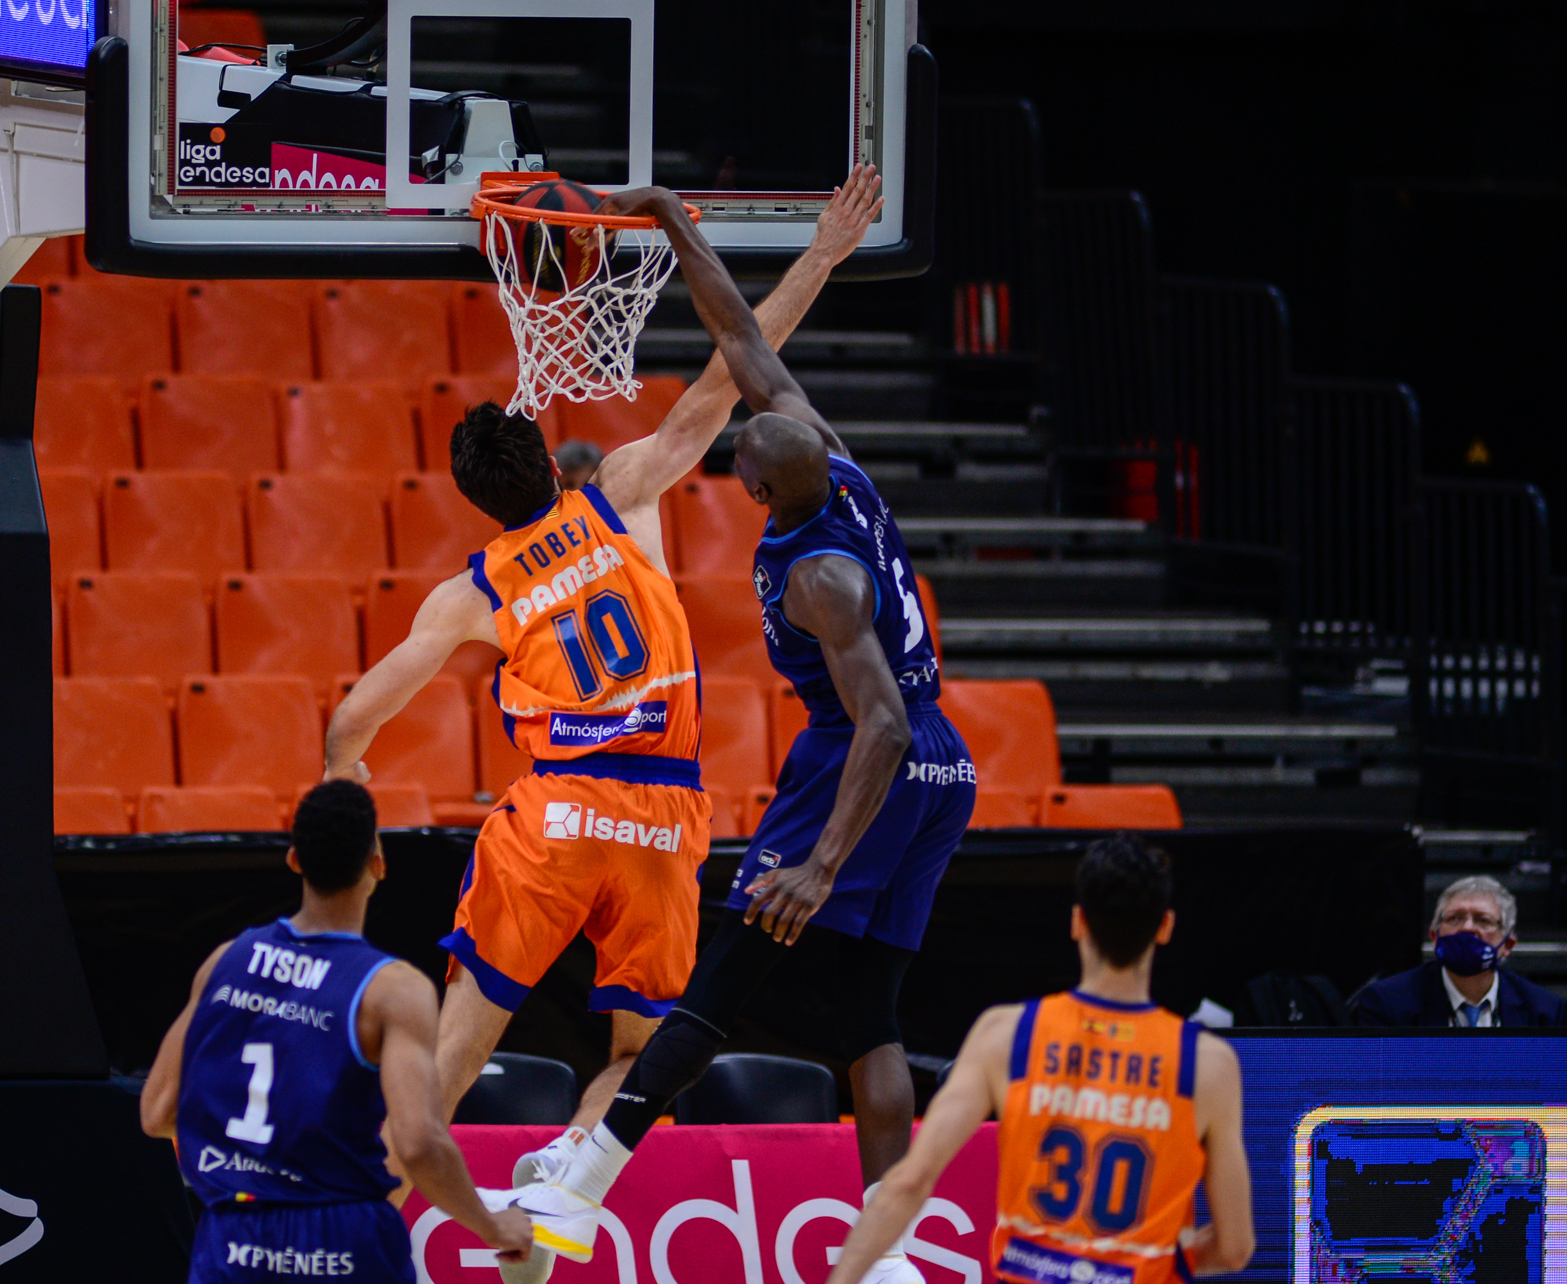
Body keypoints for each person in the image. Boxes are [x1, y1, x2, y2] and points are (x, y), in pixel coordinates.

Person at [321, 166, 888, 1171]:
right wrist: (822, 253)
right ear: (553, 466)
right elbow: (737, 366)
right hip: (662, 820)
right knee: (636, 1065)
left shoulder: (470, 591)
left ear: (479, 504)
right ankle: (567, 1181)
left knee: (450, 1063)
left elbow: (357, 712)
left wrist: (343, 768)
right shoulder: (619, 493)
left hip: (554, 817)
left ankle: (368, 1221)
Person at [496, 181, 975, 1277]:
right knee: (870, 1012)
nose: (735, 457)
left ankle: (580, 1187)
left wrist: (820, 865)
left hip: (869, 755)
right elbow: (741, 340)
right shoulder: (830, 463)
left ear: (757, 485)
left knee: (721, 981)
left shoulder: (818, 576)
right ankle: (889, 1252)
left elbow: (881, 725)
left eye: (739, 461)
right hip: (945, 763)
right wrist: (671, 219)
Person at [140, 780, 533, 1283]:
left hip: (234, 1237)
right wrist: (492, 1226)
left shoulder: (226, 961)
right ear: (379, 864)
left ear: (294, 860)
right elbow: (418, 1143)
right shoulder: (393, 989)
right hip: (343, 1236)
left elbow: (157, 1113)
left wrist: (260, 1156)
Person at [827, 837, 1254, 1284]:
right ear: (1165, 927)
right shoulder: (1207, 1064)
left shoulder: (1008, 1034)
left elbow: (909, 1183)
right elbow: (1234, 1247)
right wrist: (1148, 1266)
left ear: (1078, 922)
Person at [1349, 875, 1565, 1027]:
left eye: (1483, 920)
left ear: (1507, 945)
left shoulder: (1546, 1013)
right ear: (1435, 937)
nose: (1467, 928)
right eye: (1454, 918)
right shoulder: (1387, 1003)